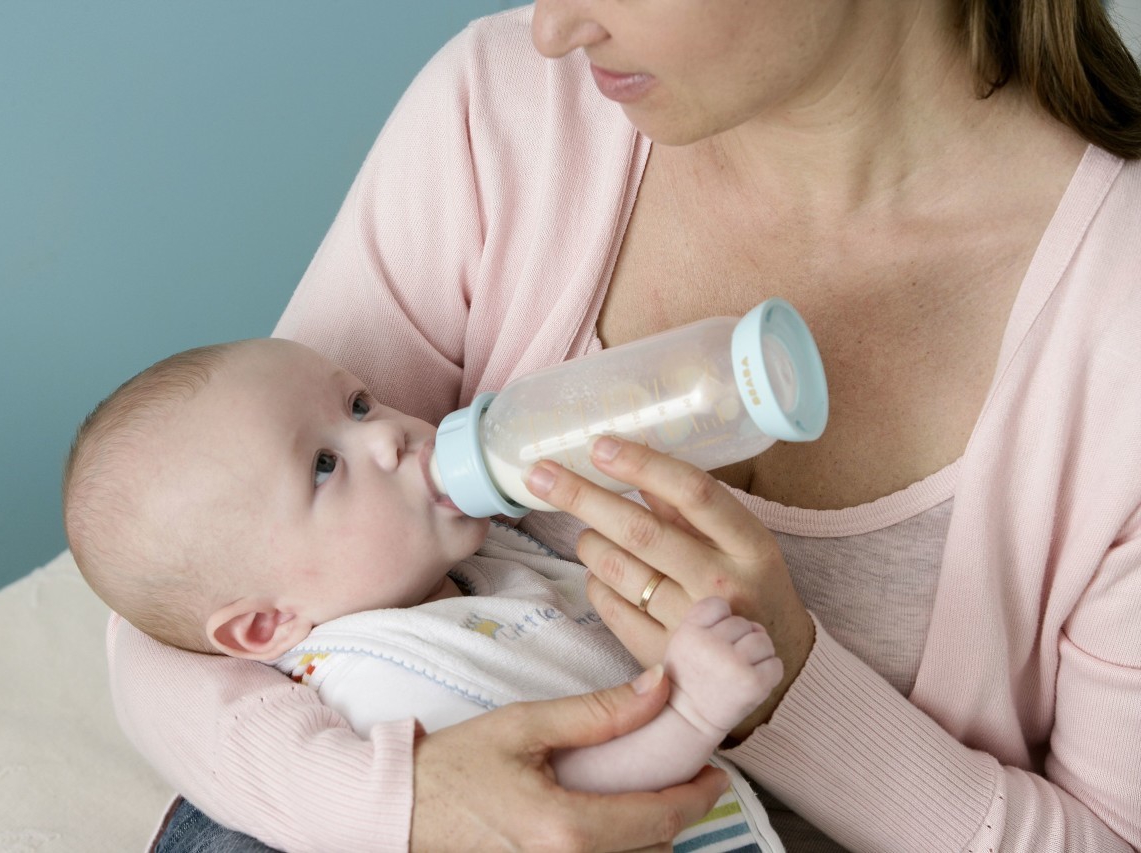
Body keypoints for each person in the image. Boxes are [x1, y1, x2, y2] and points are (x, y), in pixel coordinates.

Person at [101, 1, 1141, 851]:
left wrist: (785, 693)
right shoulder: (505, 112)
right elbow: (182, 591)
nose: (554, 28)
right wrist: (392, 805)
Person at [62, 337, 784, 844]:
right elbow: (559, 796)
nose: (387, 438)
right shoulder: (378, 682)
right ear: (266, 624)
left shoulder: (467, 569)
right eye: (322, 465)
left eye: (358, 404)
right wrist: (692, 709)